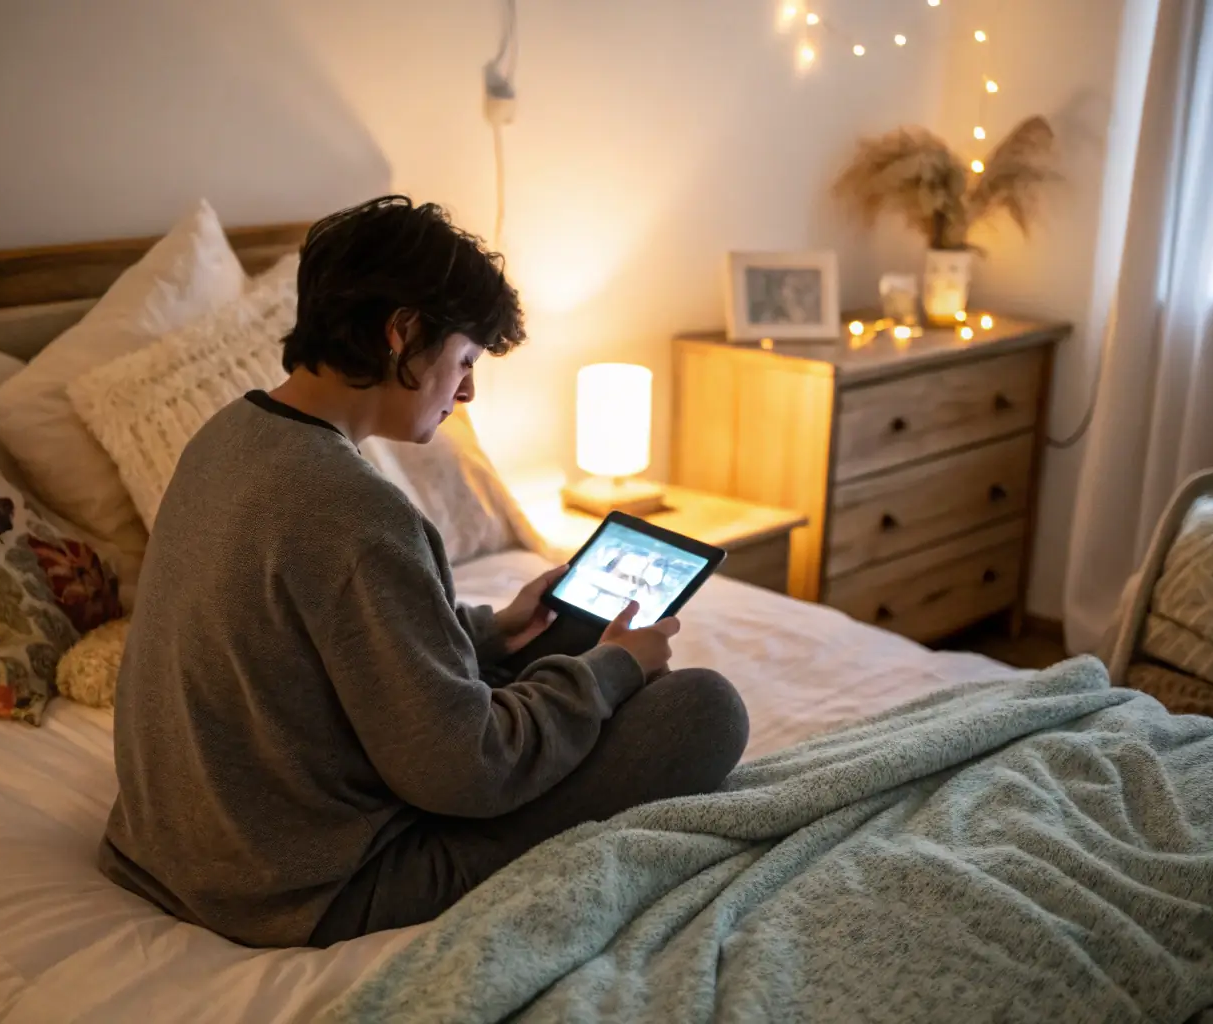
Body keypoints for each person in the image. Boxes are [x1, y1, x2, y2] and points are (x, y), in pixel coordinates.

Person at [98, 195, 749, 949]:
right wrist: (611, 672)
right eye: (465, 360)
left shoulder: (226, 434)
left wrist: (489, 632)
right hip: (306, 883)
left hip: (176, 848)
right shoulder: (354, 510)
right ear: (402, 333)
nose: (467, 390)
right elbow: (465, 773)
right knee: (700, 707)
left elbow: (311, 643)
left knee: (541, 666)